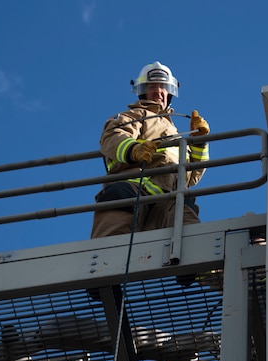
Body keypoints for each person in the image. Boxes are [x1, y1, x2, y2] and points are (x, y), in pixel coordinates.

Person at [90, 61, 210, 239]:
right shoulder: (135, 115)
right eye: (152, 86)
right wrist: (133, 149)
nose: (158, 91)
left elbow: (191, 178)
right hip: (131, 190)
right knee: (110, 250)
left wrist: (199, 143)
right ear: (143, 91)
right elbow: (112, 137)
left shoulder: (175, 132)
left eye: (163, 87)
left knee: (191, 241)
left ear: (169, 92)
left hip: (170, 199)